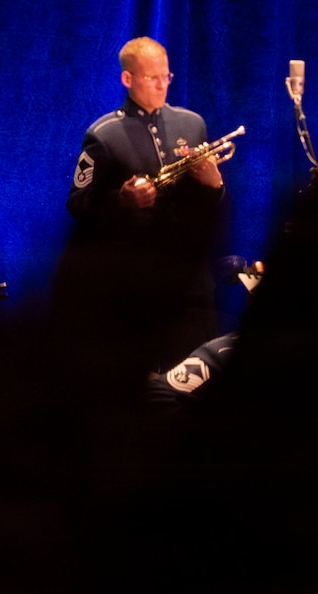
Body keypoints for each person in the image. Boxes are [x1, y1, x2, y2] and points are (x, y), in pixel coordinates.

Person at [67, 36, 225, 368]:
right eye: (152, 77)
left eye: (166, 76)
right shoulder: (103, 134)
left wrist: (215, 186)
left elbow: (206, 206)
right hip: (135, 290)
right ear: (128, 79)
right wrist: (121, 200)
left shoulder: (192, 124)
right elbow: (78, 204)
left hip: (191, 286)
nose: (161, 85)